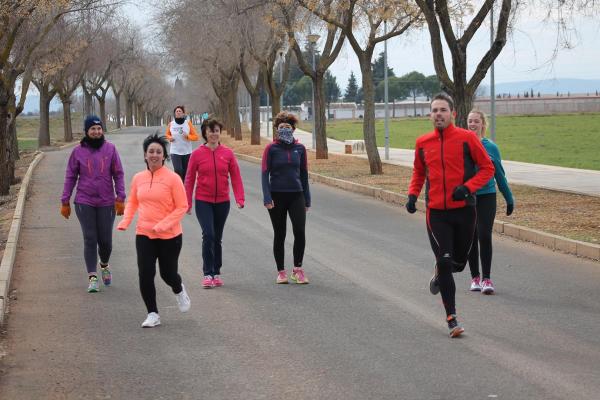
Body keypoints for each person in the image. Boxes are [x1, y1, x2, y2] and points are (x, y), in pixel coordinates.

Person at [406, 93, 495, 338]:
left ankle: (443, 268)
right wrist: (413, 195)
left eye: (443, 110)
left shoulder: (467, 139)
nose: (438, 114)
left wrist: (468, 188)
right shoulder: (423, 142)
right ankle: (451, 318)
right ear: (429, 114)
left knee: (458, 263)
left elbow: (488, 168)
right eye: (434, 110)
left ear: (453, 114)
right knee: (445, 262)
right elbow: (418, 172)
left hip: (465, 211)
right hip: (436, 213)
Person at [117, 133, 191, 328]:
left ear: (164, 156)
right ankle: (152, 313)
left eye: (159, 152)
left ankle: (178, 289)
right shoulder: (138, 178)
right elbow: (132, 201)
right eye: (151, 151)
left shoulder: (173, 178)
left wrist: (164, 224)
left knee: (168, 274)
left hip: (170, 236)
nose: (154, 155)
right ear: (145, 155)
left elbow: (182, 206)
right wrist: (126, 220)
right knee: (145, 273)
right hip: (144, 234)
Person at [61, 115, 125, 293]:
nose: (96, 132)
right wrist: (65, 200)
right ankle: (92, 277)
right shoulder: (78, 152)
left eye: (99, 129)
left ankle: (104, 264)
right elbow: (70, 176)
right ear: (87, 131)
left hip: (106, 201)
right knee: (90, 238)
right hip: (84, 201)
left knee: (105, 241)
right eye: (92, 129)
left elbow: (118, 174)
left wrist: (120, 197)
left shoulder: (110, 149)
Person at [184, 118, 245, 288]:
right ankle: (207, 273)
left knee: (217, 238)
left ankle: (216, 272)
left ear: (220, 132)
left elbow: (236, 177)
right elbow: (189, 179)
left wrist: (240, 198)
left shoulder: (228, 153)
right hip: (203, 200)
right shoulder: (197, 154)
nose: (213, 134)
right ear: (205, 133)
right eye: (210, 131)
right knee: (208, 235)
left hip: (222, 201)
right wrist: (187, 202)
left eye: (216, 130)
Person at [466, 110, 514, 295]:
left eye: (476, 121)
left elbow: (499, 175)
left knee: (484, 235)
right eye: (470, 121)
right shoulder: (463, 145)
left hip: (487, 195)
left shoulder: (491, 147)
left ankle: (487, 279)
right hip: (468, 197)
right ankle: (475, 278)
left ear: (482, 124)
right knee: (470, 237)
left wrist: (509, 198)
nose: (472, 124)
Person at [261, 111, 311, 284]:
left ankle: (297, 269)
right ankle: (281, 271)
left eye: (287, 127)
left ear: (293, 129)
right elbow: (264, 173)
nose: (284, 130)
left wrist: (307, 198)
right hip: (277, 196)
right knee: (280, 233)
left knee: (300, 231)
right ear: (276, 129)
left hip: (296, 195)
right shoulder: (271, 149)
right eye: (281, 127)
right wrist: (267, 197)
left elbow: (304, 175)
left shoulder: (300, 149)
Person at [165, 105, 199, 182]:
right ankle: (179, 185)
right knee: (178, 170)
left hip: (186, 152)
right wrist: (170, 138)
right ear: (174, 114)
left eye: (180, 111)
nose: (178, 112)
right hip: (175, 151)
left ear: (183, 113)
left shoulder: (188, 123)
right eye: (176, 111)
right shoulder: (171, 124)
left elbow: (196, 137)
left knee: (185, 171)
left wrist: (188, 136)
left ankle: (183, 187)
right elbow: (167, 134)